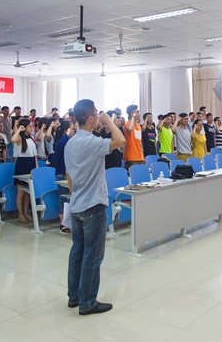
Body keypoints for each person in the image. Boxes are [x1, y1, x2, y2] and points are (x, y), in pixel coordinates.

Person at [64, 99, 125, 316]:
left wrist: (77, 194)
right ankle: (88, 302)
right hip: (93, 205)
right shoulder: (92, 142)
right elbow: (120, 140)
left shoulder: (70, 143)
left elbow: (68, 175)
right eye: (97, 114)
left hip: (78, 204)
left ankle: (74, 296)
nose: (99, 117)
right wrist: (109, 121)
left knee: (77, 252)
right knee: (93, 255)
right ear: (90, 118)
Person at [11, 119, 38, 224]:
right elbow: (13, 139)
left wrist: (36, 166)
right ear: (24, 127)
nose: (32, 128)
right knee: (21, 191)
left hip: (31, 163)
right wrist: (19, 129)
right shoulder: (19, 137)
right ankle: (21, 214)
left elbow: (34, 154)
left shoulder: (30, 138)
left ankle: (27, 212)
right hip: (22, 164)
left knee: (28, 191)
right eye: (29, 126)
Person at [123, 104, 144, 170]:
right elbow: (129, 129)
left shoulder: (138, 125)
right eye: (136, 112)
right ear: (131, 113)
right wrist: (133, 117)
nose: (138, 114)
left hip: (140, 156)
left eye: (138, 112)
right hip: (131, 157)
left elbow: (139, 141)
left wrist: (142, 156)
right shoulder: (127, 124)